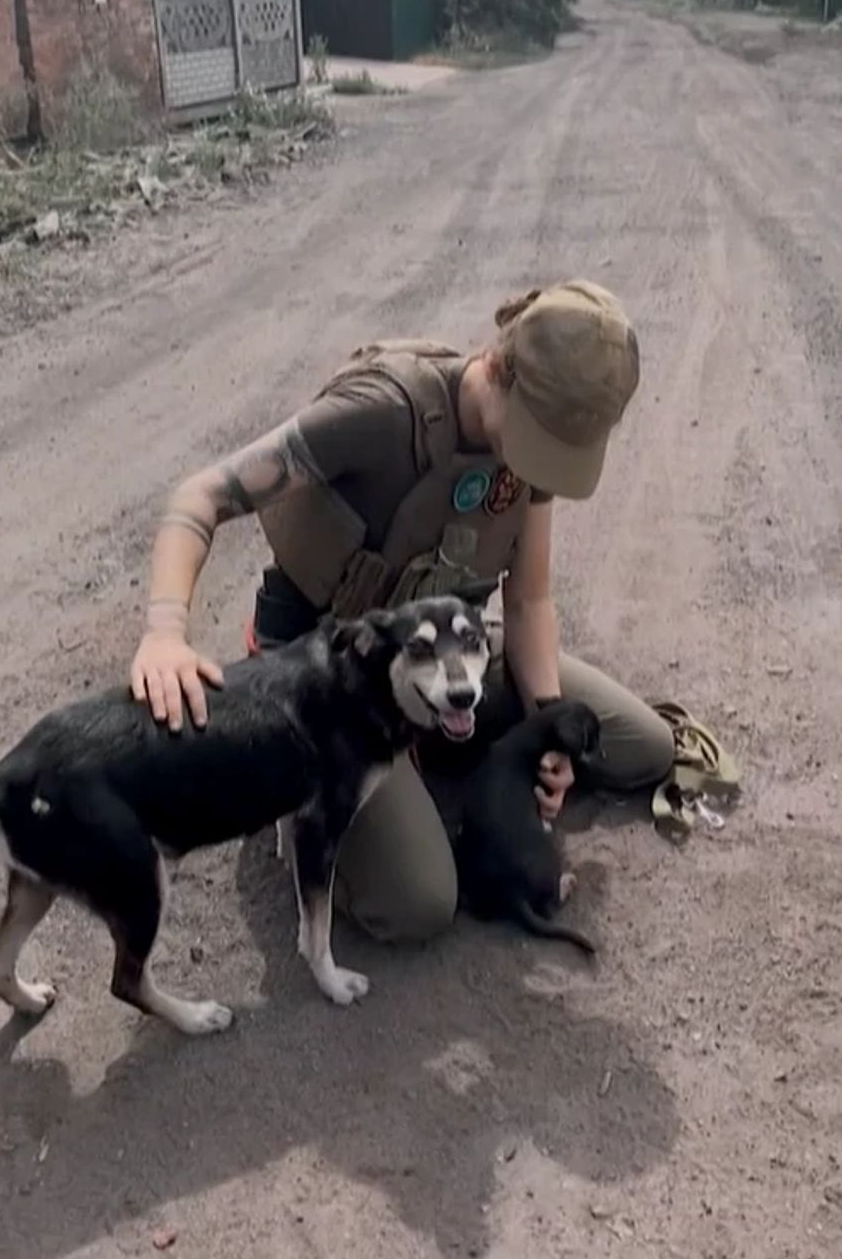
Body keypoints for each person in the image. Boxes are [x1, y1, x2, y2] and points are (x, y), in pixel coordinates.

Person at [130, 281, 711, 942]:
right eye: (534, 439)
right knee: (419, 902)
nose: (533, 463)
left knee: (642, 747)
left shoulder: (533, 443)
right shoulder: (380, 414)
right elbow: (201, 495)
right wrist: (164, 632)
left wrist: (546, 729)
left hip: (449, 656)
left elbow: (528, 599)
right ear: (496, 366)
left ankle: (441, 752)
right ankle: (303, 797)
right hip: (335, 687)